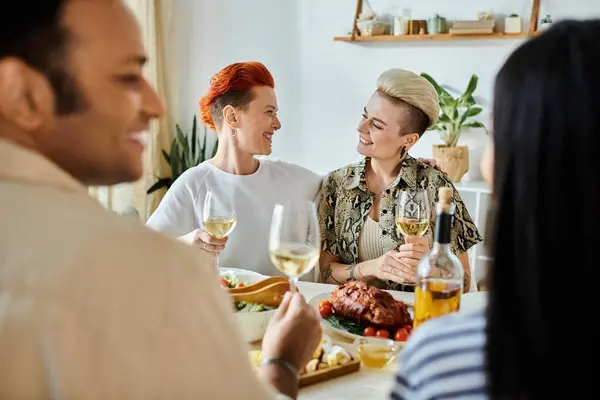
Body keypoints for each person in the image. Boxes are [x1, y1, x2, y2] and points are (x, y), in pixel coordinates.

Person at [0, 1, 321, 399]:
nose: (156, 106)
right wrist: (283, 363)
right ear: (23, 94)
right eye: (127, 77)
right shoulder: (144, 269)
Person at [390, 19, 599, 399]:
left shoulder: (443, 362)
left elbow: (464, 280)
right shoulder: (338, 183)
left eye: (494, 134)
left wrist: (282, 367)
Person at [145, 61, 323, 279]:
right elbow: (141, 254)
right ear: (232, 117)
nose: (277, 124)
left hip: (285, 309)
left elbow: (349, 184)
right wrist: (184, 245)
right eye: (269, 112)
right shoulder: (194, 184)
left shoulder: (294, 179)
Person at [318, 68, 481, 292]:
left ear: (410, 139)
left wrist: (431, 267)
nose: (361, 127)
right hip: (350, 316)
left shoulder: (435, 185)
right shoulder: (337, 184)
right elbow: (324, 273)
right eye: (365, 116)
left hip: (416, 319)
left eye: (376, 125)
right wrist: (371, 268)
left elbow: (463, 282)